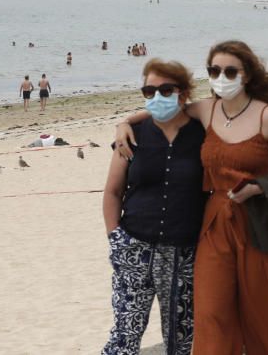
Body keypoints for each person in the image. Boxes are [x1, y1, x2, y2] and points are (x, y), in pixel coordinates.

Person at [116, 41, 268, 354]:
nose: (221, 76)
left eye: (230, 70)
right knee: (211, 315)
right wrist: (123, 123)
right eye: (214, 70)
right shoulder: (208, 109)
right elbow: (162, 109)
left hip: (260, 225)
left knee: (266, 315)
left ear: (246, 75)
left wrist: (258, 187)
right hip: (215, 225)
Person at [102, 59, 205, 355]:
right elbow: (112, 192)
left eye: (166, 88)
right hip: (134, 247)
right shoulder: (133, 135)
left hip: (184, 253)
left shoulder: (202, 133)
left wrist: (126, 119)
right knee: (124, 335)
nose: (157, 96)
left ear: (182, 92)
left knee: (181, 339)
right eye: (149, 90)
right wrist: (116, 239)